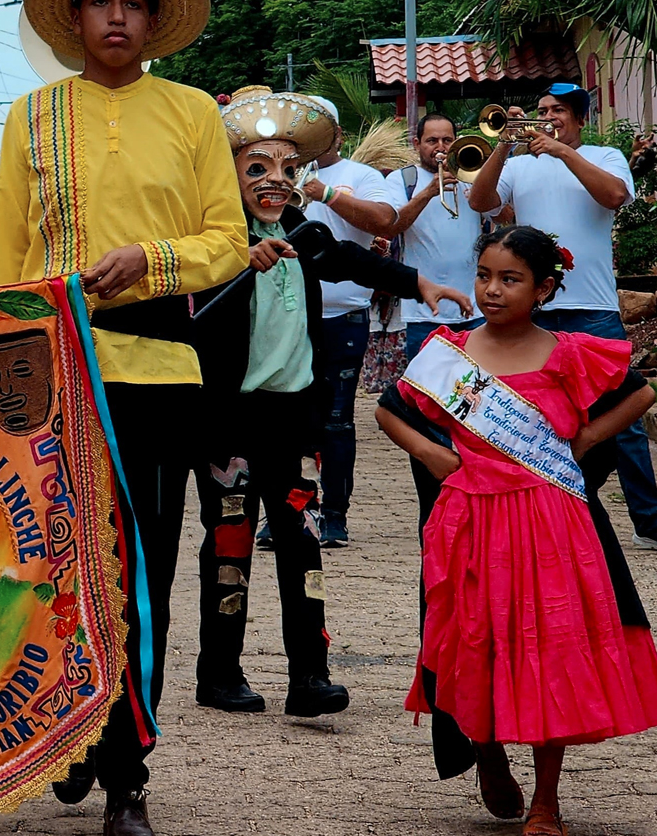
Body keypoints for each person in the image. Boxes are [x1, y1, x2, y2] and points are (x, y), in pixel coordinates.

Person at [0, 0, 249, 836]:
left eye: (134, 2)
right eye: (100, 1)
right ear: (75, 20)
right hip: (51, 371)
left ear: (154, 22)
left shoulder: (191, 113)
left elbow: (228, 240)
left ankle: (127, 767)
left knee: (139, 566)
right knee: (46, 557)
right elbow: (4, 260)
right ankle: (68, 737)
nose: (117, 16)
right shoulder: (34, 115)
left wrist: (153, 259)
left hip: (158, 371)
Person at [189, 87, 471, 718]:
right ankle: (219, 671)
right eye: (258, 167)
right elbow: (191, 304)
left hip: (293, 417)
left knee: (302, 539)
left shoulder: (300, 230)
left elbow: (347, 259)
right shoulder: (211, 240)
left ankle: (309, 676)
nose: (277, 180)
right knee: (230, 540)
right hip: (229, 420)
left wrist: (418, 281)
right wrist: (238, 257)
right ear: (228, 172)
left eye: (290, 169)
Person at [375, 226, 657, 836]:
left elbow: (638, 393)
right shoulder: (449, 353)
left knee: (549, 649)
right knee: (473, 641)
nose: (491, 290)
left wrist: (583, 439)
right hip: (470, 520)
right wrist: (432, 455)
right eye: (484, 276)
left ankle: (546, 801)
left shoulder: (569, 352)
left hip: (550, 522)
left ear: (545, 288)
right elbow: (386, 412)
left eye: (510, 280)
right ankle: (486, 752)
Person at [465, 82, 657, 550]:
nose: (548, 117)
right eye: (542, 110)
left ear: (578, 119)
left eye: (557, 111)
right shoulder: (517, 164)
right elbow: (479, 202)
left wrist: (559, 151)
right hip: (537, 310)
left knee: (622, 419)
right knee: (530, 414)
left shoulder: (604, 156)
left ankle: (649, 521)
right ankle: (539, 506)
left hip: (593, 307)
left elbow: (613, 196)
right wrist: (503, 144)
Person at [301, 97, 399, 546]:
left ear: (337, 135)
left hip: (343, 317)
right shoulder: (276, 171)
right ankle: (292, 512)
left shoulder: (362, 176)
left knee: (337, 420)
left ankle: (335, 515)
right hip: (288, 319)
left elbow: (385, 221)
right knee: (287, 421)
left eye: (318, 129)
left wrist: (326, 194)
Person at [384, 112, 486, 358]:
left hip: (475, 309)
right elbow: (392, 226)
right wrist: (429, 192)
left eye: (447, 140)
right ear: (417, 144)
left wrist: (482, 191)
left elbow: (504, 216)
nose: (440, 148)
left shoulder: (474, 177)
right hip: (422, 312)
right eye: (432, 141)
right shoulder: (401, 179)